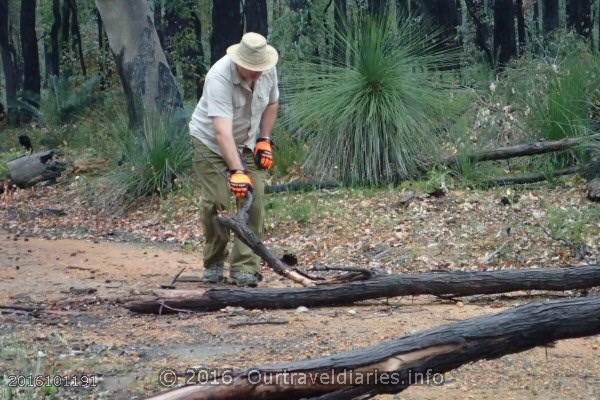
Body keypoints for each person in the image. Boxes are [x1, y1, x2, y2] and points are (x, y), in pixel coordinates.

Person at [189, 32, 279, 287]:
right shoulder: (219, 77)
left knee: (254, 200)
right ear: (239, 62)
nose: (258, 74)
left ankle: (244, 268)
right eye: (252, 70)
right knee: (217, 202)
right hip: (211, 143)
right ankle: (214, 261)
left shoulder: (268, 70)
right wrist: (237, 171)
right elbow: (221, 132)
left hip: (248, 140)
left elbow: (272, 103)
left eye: (260, 69)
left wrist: (264, 139)